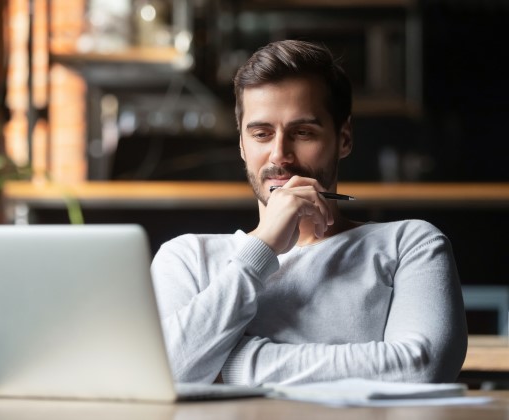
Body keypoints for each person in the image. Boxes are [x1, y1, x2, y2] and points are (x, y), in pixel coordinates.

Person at [150, 40, 468, 385]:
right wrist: (263, 247)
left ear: (344, 138)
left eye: (302, 133)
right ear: (242, 145)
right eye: (261, 134)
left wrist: (231, 364)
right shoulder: (186, 257)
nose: (279, 155)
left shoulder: (410, 244)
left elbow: (421, 369)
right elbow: (162, 375)